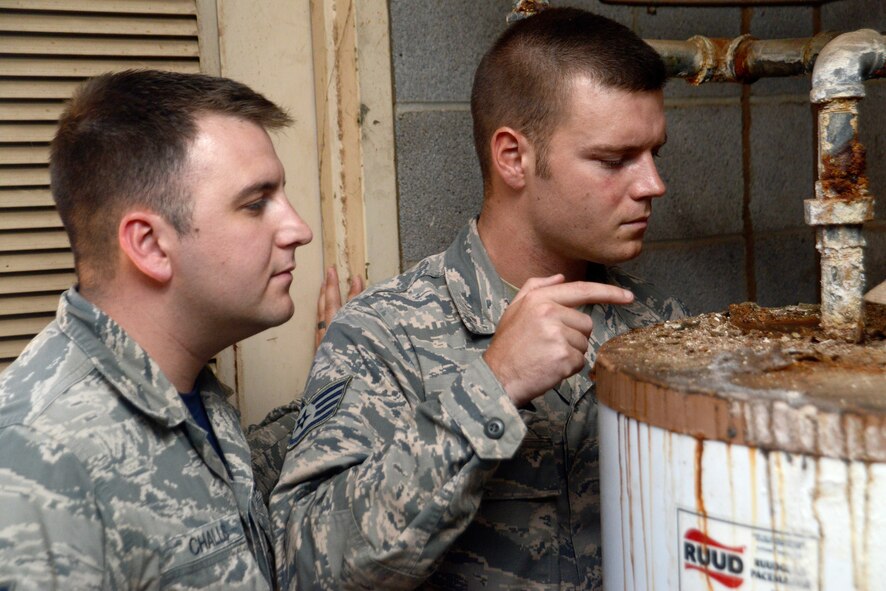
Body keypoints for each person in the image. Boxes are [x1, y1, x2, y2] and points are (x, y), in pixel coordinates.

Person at [271, 7, 688, 591]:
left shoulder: (659, 327)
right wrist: (491, 386)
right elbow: (307, 566)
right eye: (614, 160)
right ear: (513, 157)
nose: (651, 185)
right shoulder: (384, 333)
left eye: (654, 154)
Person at [0, 70, 318, 590]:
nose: (298, 229)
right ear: (148, 245)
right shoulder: (34, 461)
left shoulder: (190, 393)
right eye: (256, 203)